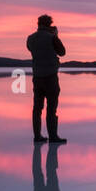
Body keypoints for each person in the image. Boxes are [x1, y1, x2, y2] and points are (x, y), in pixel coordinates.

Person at [26, 13, 67, 143]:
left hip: (37, 77)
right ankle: (53, 136)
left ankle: (37, 136)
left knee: (37, 108)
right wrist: (55, 36)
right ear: (49, 25)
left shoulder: (30, 38)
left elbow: (30, 49)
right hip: (50, 77)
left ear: (38, 24)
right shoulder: (52, 37)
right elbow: (62, 52)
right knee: (51, 108)